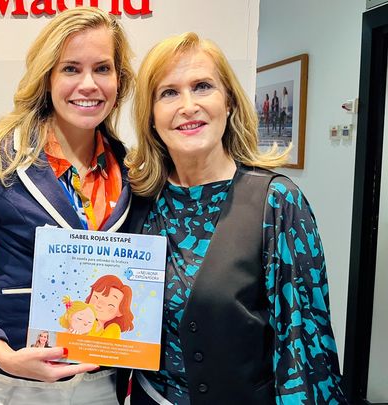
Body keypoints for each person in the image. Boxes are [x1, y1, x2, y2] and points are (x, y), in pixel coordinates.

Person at [122, 32, 347, 404]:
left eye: (202, 86)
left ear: (228, 102)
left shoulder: (277, 203)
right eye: (169, 92)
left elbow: (305, 347)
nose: (188, 106)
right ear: (151, 116)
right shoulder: (138, 201)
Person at [0, 7, 135, 404]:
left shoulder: (131, 171)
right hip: (13, 385)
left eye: (102, 69)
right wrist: (1, 353)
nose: (88, 84)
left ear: (119, 80)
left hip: (100, 384)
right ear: (47, 77)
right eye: (71, 68)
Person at [85, 274, 134, 338]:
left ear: (120, 312)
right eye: (96, 297)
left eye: (110, 305)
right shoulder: (82, 317)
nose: (99, 305)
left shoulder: (113, 329)